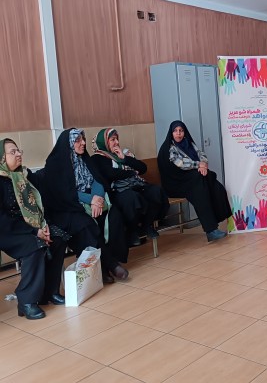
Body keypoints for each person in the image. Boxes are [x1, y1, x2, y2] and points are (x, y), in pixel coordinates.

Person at [40, 129, 129, 284]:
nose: (83, 143)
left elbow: (97, 180)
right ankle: (109, 265)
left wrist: (98, 198)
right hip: (67, 208)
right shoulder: (55, 164)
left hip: (92, 201)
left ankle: (105, 266)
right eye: (78, 140)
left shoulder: (84, 159)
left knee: (114, 216)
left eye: (83, 139)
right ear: (68, 143)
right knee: (87, 226)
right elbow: (65, 193)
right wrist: (91, 199)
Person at [0, 139, 66, 319]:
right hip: (7, 230)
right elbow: (3, 220)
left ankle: (49, 292)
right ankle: (26, 301)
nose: (18, 154)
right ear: (2, 157)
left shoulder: (24, 175)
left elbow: (38, 205)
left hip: (31, 226)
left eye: (18, 151)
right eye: (12, 152)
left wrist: (44, 225)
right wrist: (34, 231)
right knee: (35, 245)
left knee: (58, 237)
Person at [91, 128, 169, 247]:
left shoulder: (120, 154)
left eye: (117, 139)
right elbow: (110, 174)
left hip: (134, 185)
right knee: (131, 198)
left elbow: (143, 168)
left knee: (156, 192)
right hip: (116, 191)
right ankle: (132, 231)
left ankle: (146, 225)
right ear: (104, 142)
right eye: (113, 140)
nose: (117, 142)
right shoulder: (97, 158)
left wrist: (124, 158)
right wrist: (131, 173)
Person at [157, 120, 232, 242]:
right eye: (175, 131)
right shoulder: (169, 148)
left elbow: (201, 154)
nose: (178, 133)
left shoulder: (189, 143)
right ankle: (211, 230)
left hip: (189, 179)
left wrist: (203, 164)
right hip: (175, 184)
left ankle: (225, 219)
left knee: (215, 185)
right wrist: (198, 165)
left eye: (181, 131)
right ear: (171, 133)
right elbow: (180, 163)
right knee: (200, 188)